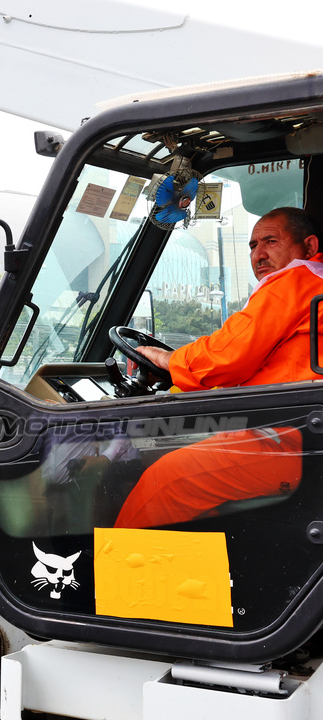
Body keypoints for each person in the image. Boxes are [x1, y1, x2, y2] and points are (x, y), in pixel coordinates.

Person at [116, 207, 322, 528]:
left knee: (164, 481)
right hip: (294, 430)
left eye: (271, 241)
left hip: (283, 441)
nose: (259, 254)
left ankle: (121, 574)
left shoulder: (295, 280)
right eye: (253, 245)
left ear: (308, 247)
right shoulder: (311, 283)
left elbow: (228, 357)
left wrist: (167, 360)